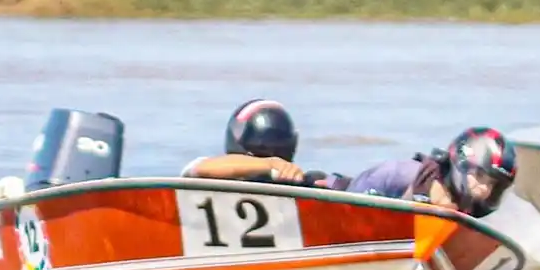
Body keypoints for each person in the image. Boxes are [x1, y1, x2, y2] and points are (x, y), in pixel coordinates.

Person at [342, 127, 518, 218]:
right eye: (480, 176)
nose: (484, 188)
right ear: (460, 164)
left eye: (492, 184)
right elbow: (351, 197)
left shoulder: (473, 209)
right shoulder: (405, 174)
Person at [182, 98, 311, 183]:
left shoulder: (302, 180)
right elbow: (199, 168)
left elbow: (330, 183)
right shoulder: (211, 171)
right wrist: (270, 164)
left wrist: (319, 181)